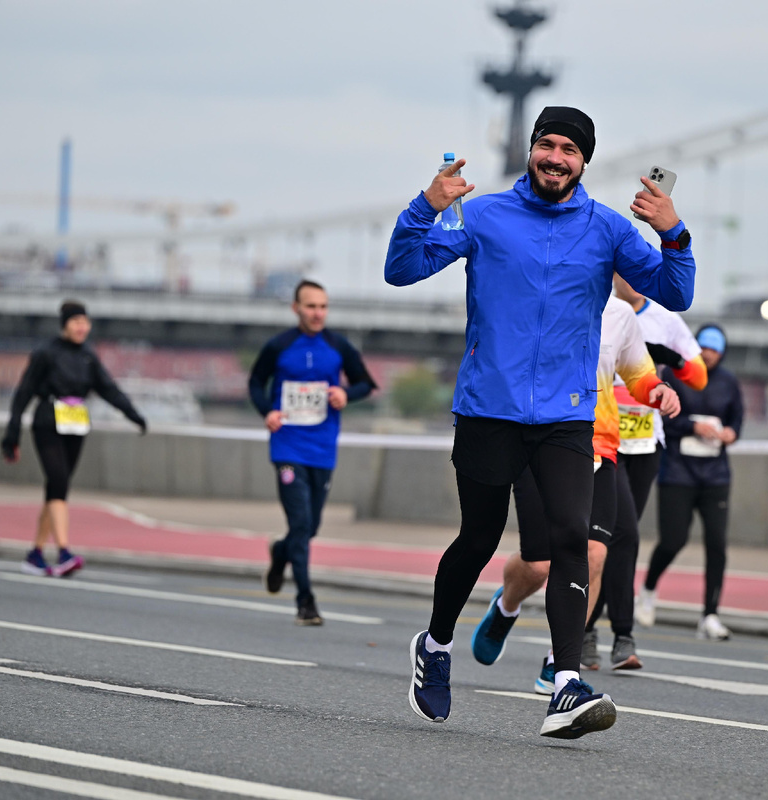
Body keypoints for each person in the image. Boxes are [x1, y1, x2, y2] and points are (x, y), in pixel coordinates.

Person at [385, 105, 695, 738]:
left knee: (570, 541)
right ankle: (435, 645)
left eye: (569, 150)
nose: (556, 158)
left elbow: (676, 292)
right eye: (547, 145)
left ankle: (565, 684)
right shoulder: (485, 215)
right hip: (488, 407)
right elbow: (402, 269)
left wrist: (675, 233)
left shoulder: (608, 229)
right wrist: (425, 206)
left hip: (566, 415)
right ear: (532, 150)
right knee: (478, 537)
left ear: (584, 162)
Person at [470, 294, 680, 689]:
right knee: (539, 565)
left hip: (598, 444)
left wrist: (657, 390)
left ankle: (559, 660)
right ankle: (507, 605)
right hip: (539, 439)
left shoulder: (620, 315)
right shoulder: (542, 298)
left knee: (594, 553)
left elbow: (637, 373)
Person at [590, 274, 708, 664]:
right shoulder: (599, 310)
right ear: (612, 274)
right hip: (604, 440)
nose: (636, 279)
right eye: (627, 271)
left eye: (642, 270)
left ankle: (591, 630)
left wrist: (668, 357)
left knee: (619, 538)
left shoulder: (665, 319)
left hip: (645, 444)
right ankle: (618, 634)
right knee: (621, 533)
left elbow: (699, 377)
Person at [248, 280, 377, 626]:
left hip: (322, 448)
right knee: (301, 523)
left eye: (323, 306)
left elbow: (366, 383)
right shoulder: (279, 346)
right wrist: (267, 411)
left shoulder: (338, 346)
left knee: (310, 527)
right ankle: (306, 602)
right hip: (287, 446)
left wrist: (346, 394)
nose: (318, 313)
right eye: (310, 306)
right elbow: (255, 383)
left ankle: (280, 553)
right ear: (296, 309)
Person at [1, 301, 146, 578]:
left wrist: (133, 415)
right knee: (58, 482)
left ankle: (35, 555)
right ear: (64, 324)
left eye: (85, 322)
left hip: (76, 424)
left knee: (57, 488)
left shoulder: (88, 356)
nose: (82, 327)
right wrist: (12, 432)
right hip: (48, 421)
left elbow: (108, 389)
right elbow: (24, 392)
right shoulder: (46, 353)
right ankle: (64, 552)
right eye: (76, 321)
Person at [638, 324, 743, 640]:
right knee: (673, 540)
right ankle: (648, 589)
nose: (709, 355)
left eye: (715, 350)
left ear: (722, 353)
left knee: (717, 544)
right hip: (678, 472)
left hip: (715, 475)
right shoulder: (675, 373)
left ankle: (710, 615)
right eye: (704, 348)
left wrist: (730, 433)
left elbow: (737, 420)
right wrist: (692, 427)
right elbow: (662, 418)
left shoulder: (728, 382)